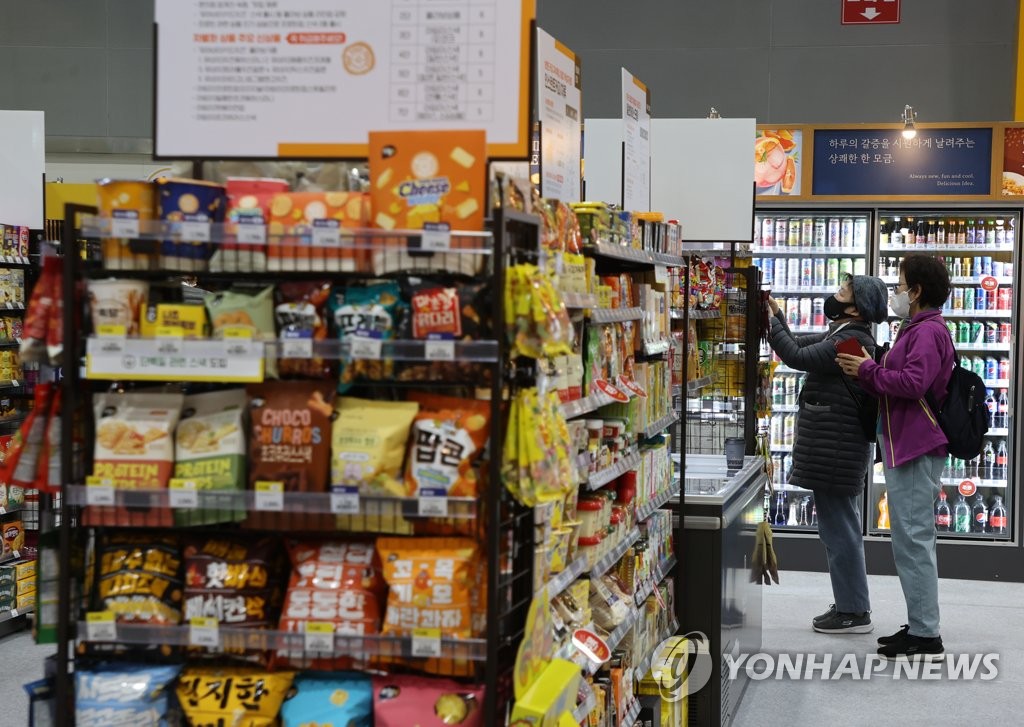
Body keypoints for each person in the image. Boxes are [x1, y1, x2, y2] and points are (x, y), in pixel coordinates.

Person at [836, 254, 953, 661]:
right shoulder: (917, 327)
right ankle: (919, 624)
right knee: (909, 540)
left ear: (917, 291)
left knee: (914, 540)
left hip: (918, 446)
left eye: (901, 286)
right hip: (906, 443)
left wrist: (868, 370)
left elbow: (914, 383)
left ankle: (926, 635)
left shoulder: (926, 331)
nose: (898, 294)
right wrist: (873, 365)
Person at [767, 273, 889, 634]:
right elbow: (799, 344)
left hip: (837, 450)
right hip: (837, 450)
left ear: (856, 306)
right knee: (840, 529)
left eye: (842, 292)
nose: (834, 296)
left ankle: (853, 611)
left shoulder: (850, 340)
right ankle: (851, 602)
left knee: (840, 533)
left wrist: (773, 323)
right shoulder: (843, 335)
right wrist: (778, 317)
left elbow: (795, 355)